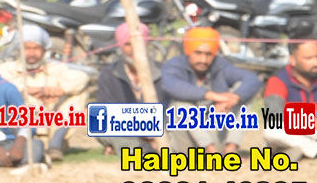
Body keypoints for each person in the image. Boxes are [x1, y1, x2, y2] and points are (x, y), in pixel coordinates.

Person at [161, 26, 260, 154]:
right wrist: (212, 96)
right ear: (188, 51)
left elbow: (252, 79)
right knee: (180, 105)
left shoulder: (219, 65)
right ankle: (210, 151)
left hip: (214, 131)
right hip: (185, 141)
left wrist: (234, 98)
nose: (203, 60)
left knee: (243, 95)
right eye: (198, 53)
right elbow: (172, 85)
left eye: (208, 54)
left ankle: (231, 149)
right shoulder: (174, 65)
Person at [0, 25, 90, 161]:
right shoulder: (7, 68)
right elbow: (3, 84)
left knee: (77, 96)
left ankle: (55, 145)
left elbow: (82, 78)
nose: (31, 53)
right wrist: (32, 91)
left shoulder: (55, 67)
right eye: (27, 48)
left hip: (50, 125)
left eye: (36, 48)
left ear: (44, 50)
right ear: (19, 50)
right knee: (11, 97)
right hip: (22, 130)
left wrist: (60, 91)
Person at [93, 22, 166, 156]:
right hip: (123, 128)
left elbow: (170, 109)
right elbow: (104, 109)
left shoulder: (164, 71)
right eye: (128, 44)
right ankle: (141, 147)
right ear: (121, 46)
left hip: (159, 127)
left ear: (146, 45)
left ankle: (124, 148)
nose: (134, 49)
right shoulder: (109, 73)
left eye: (139, 44)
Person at [262, 39, 317, 160]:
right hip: (291, 131)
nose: (315, 62)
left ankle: (292, 151)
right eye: (308, 58)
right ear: (292, 60)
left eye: (316, 57)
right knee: (273, 130)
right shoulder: (277, 80)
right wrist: (310, 120)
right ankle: (311, 149)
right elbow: (274, 115)